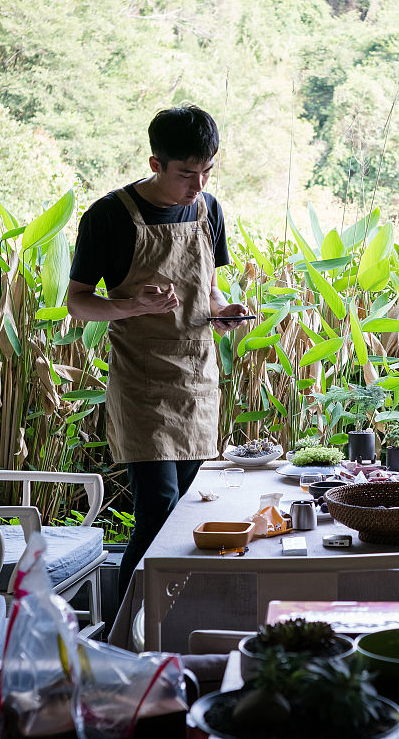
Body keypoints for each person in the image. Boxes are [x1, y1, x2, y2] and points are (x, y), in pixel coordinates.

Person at [66, 105, 248, 608]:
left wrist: (223, 310)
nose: (198, 184)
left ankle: (173, 621)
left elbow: (208, 291)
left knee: (185, 512)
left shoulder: (208, 210)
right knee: (158, 510)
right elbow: (77, 301)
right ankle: (126, 631)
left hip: (197, 381)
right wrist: (131, 305)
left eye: (207, 171)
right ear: (155, 162)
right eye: (186, 173)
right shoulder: (109, 217)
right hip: (143, 386)